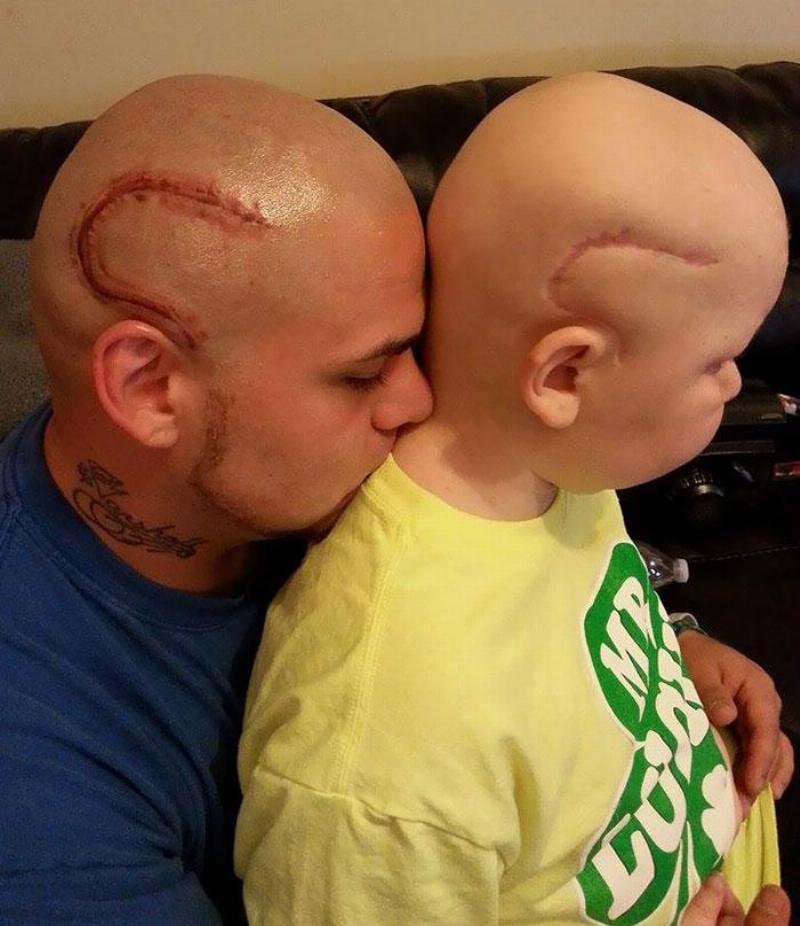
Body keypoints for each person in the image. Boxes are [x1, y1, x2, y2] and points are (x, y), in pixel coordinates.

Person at [0, 73, 789, 926]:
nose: (417, 401)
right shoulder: (41, 804)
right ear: (150, 387)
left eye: (418, 344)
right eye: (364, 372)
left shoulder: (301, 475)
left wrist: (658, 664)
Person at [235, 73, 793, 925]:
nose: (733, 384)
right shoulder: (385, 742)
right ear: (564, 375)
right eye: (717, 361)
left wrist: (677, 660)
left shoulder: (554, 468)